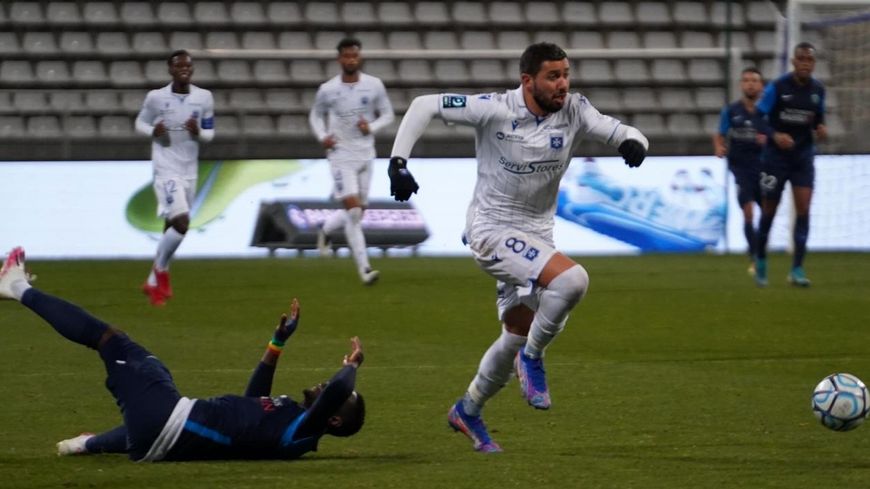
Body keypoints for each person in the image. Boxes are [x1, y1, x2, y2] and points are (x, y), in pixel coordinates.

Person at [387, 43, 648, 452]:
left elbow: (621, 131)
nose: (562, 84)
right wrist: (398, 162)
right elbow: (424, 105)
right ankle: (533, 358)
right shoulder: (494, 109)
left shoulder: (575, 110)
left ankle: (468, 409)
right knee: (572, 281)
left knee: (515, 331)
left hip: (537, 236)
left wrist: (636, 142)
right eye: (552, 76)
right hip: (491, 230)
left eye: (565, 74)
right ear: (528, 80)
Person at [0, 247, 365, 461]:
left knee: (110, 339)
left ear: (332, 421)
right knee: (149, 366)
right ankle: (85, 444)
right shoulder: (291, 419)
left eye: (336, 394)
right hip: (161, 430)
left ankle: (15, 286)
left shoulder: (305, 434)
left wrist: (353, 368)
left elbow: (335, 389)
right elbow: (253, 400)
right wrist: (277, 345)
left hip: (169, 420)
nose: (327, 383)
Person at [309, 37, 394, 285]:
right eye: (346, 56)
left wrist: (372, 126)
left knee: (358, 210)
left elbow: (388, 114)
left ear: (360, 57)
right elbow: (315, 116)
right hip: (340, 154)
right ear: (339, 59)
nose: (351, 59)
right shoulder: (327, 89)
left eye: (354, 55)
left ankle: (325, 229)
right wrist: (323, 136)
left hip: (366, 153)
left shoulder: (374, 85)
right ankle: (365, 269)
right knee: (355, 212)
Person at [135, 49, 215, 306]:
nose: (184, 69)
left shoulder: (204, 97)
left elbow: (210, 133)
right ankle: (161, 270)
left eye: (188, 66)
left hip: (189, 170)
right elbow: (140, 123)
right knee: (182, 223)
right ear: (171, 70)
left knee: (171, 227)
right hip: (166, 169)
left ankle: (151, 282)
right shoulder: (156, 97)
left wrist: (198, 132)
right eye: (179, 66)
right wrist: (152, 130)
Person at [754, 42, 827, 287]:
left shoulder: (818, 90)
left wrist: (821, 128)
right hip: (775, 158)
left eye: (810, 60)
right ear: (794, 62)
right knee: (769, 211)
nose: (806, 63)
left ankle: (797, 269)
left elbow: (818, 119)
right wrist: (775, 136)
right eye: (802, 59)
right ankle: (761, 257)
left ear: (813, 64)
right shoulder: (778, 87)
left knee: (804, 209)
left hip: (803, 157)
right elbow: (758, 117)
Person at [713, 67, 768, 272]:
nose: (750, 84)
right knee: (748, 213)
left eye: (754, 80)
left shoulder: (768, 112)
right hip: (741, 168)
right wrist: (719, 146)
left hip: (765, 167)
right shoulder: (732, 110)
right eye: (746, 80)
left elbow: (777, 134)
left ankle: (759, 250)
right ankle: (755, 257)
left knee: (766, 215)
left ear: (761, 85)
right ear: (741, 85)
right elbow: (720, 134)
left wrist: (769, 139)